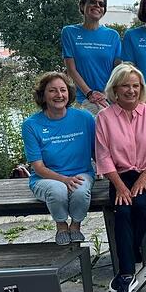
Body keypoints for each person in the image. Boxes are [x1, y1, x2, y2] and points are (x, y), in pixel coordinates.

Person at [95, 63, 146, 292]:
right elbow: (103, 155)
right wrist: (119, 185)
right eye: (125, 85)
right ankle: (128, 272)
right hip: (119, 175)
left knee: (140, 205)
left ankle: (126, 268)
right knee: (123, 209)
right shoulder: (104, 118)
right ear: (115, 89)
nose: (131, 90)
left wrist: (145, 176)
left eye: (135, 86)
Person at [22, 72, 96, 245]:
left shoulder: (85, 118)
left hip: (81, 172)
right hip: (45, 177)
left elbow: (96, 150)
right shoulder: (31, 125)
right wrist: (63, 179)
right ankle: (61, 226)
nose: (59, 95)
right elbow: (38, 167)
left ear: (69, 93)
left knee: (80, 191)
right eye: (52, 91)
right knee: (58, 190)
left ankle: (76, 226)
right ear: (43, 95)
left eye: (63, 90)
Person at [61, 0, 121, 115]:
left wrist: (105, 93)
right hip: (81, 98)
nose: (97, 6)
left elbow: (117, 69)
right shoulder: (69, 32)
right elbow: (71, 69)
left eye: (101, 4)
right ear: (83, 6)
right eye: (92, 2)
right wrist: (89, 93)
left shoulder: (113, 35)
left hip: (108, 98)